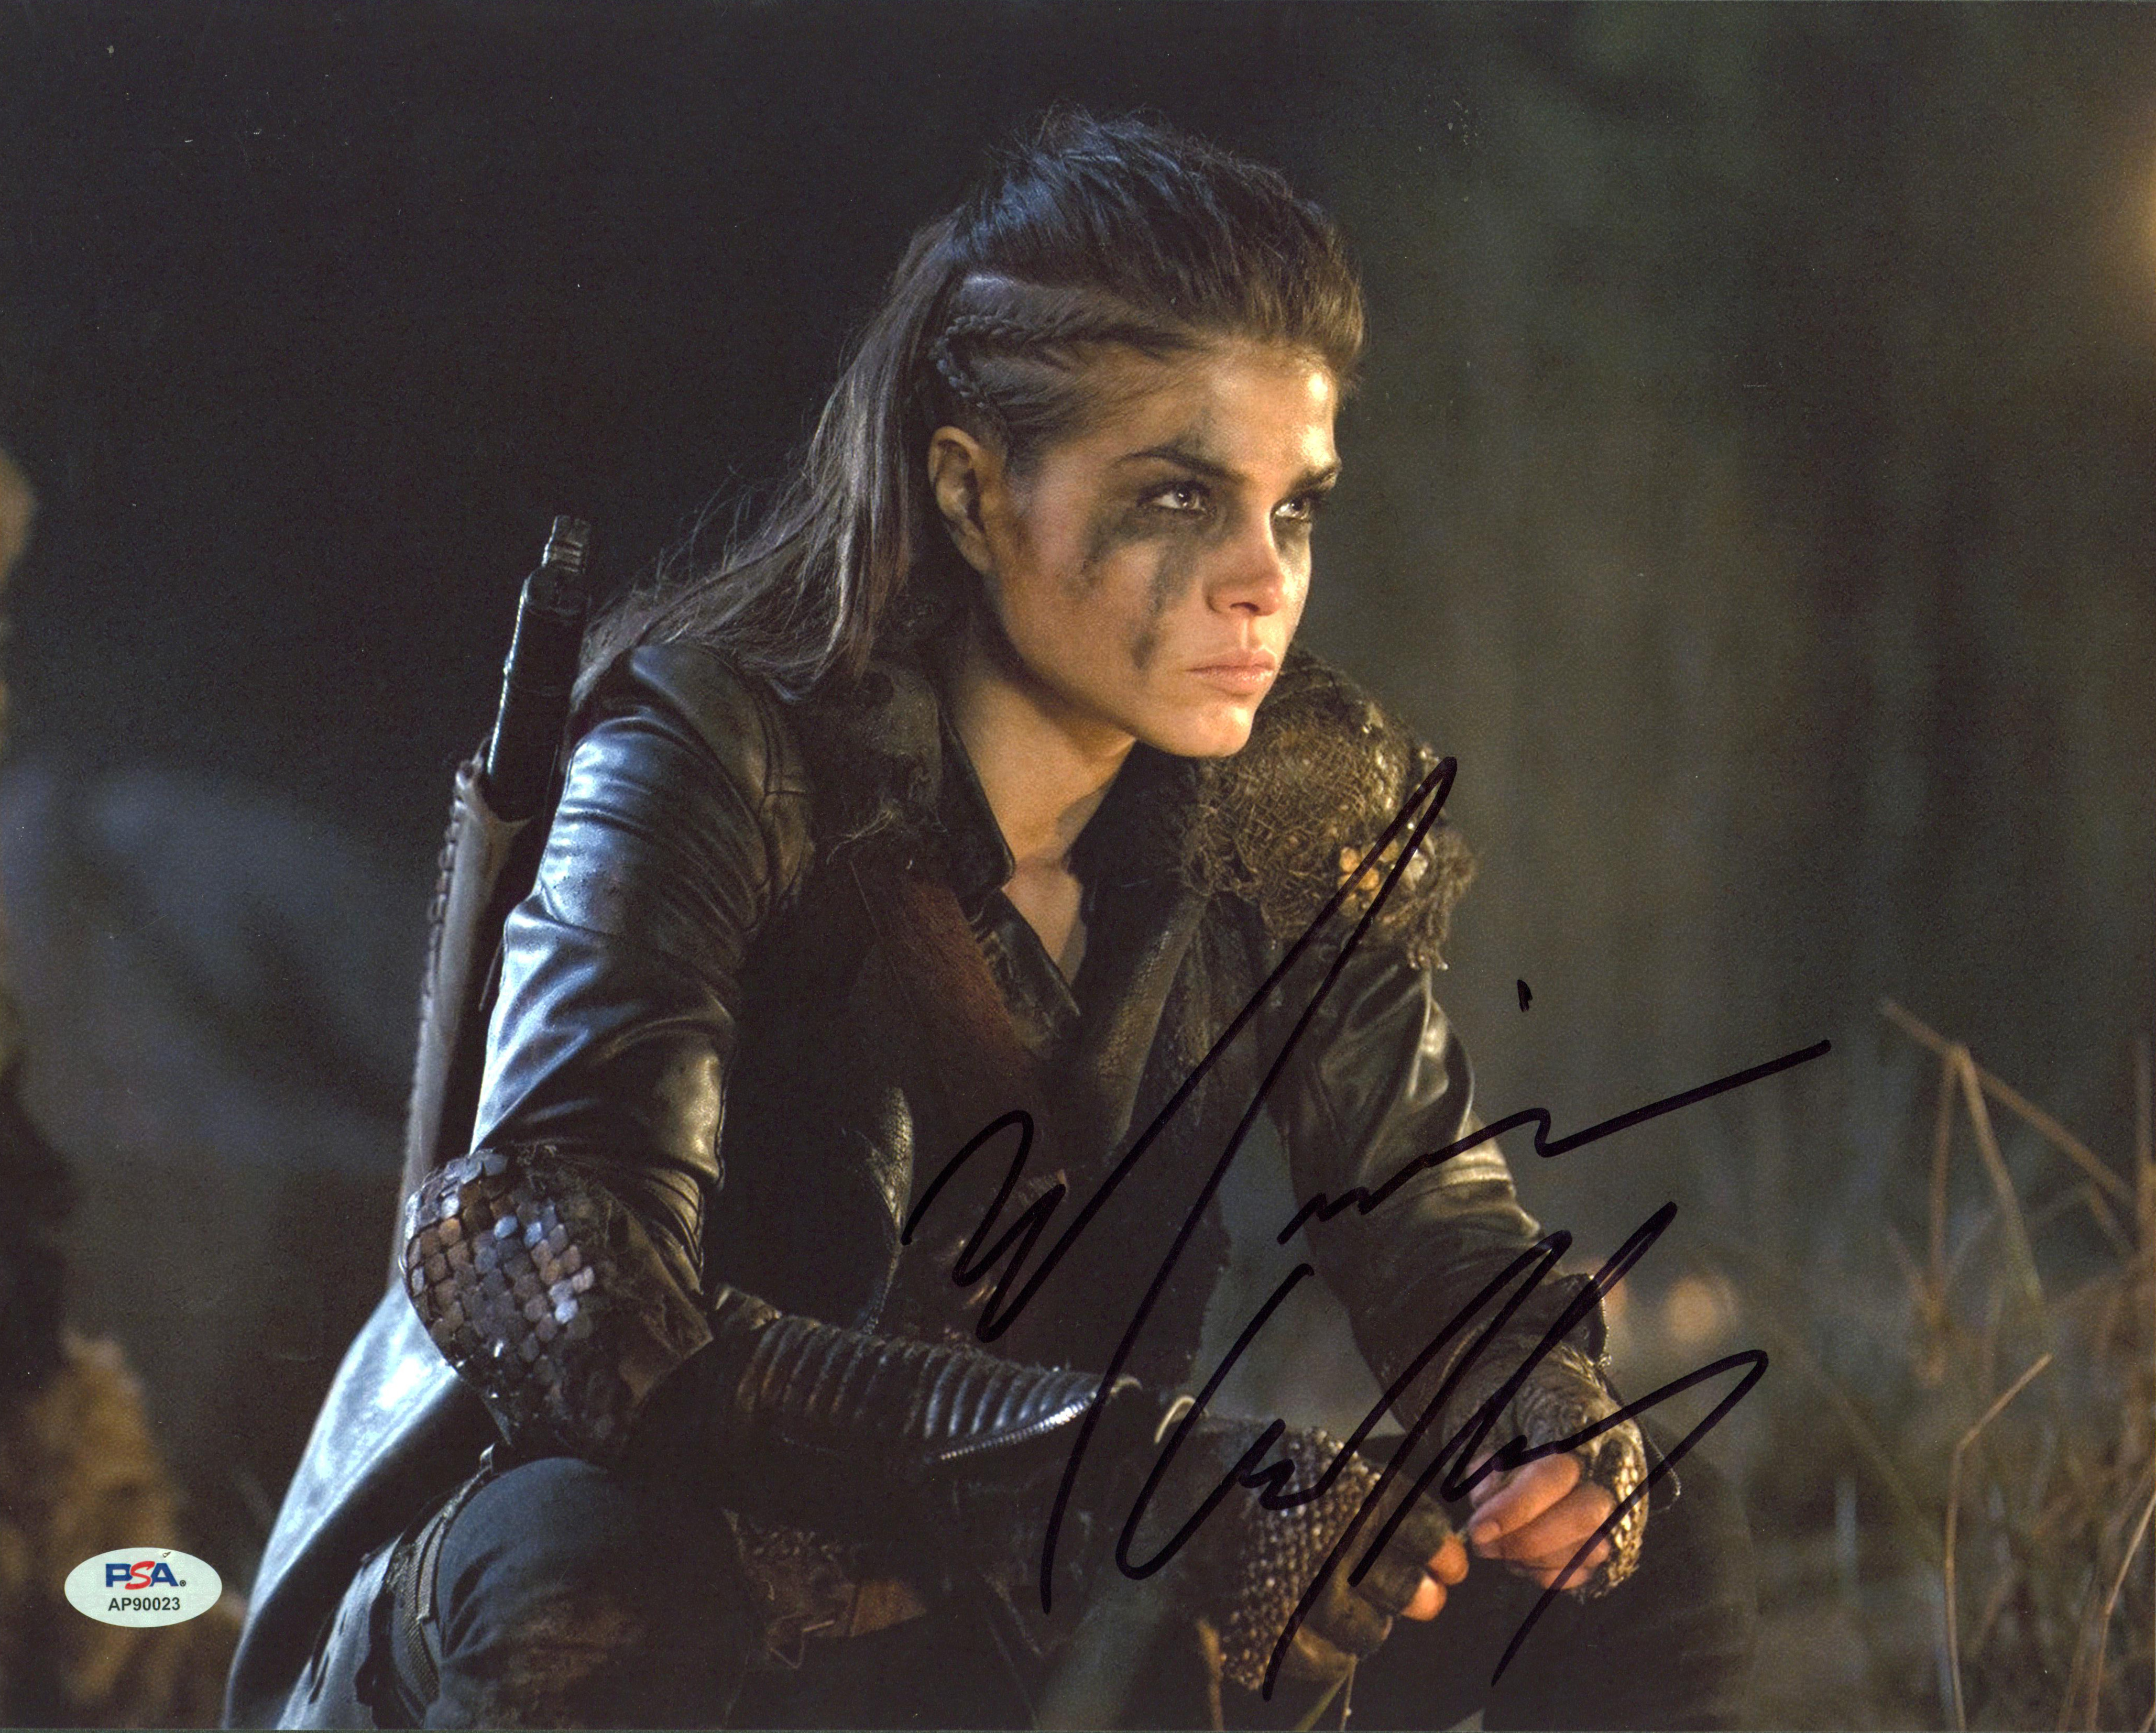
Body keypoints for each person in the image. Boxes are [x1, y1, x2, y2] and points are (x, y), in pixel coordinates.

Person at [226, 112, 1755, 1730]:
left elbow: (1426, 1208)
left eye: (1293, 508)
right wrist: (1144, 1475)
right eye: (1179, 496)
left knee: (1648, 1540)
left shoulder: (1291, 804)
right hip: (631, 1591)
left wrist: (1536, 1412)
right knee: (596, 1579)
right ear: (969, 489)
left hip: (1010, 1598)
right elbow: (596, 1320)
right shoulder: (705, 757)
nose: (1262, 579)